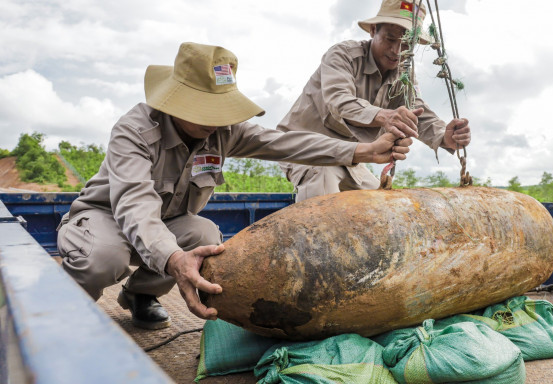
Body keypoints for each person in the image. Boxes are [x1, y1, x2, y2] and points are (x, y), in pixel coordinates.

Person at [56, 42, 412, 330]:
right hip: (108, 218)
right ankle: (62, 313)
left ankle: (140, 295)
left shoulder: (223, 131)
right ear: (176, 101)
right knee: (104, 258)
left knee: (206, 236)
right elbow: (134, 205)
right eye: (206, 109)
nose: (218, 121)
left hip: (166, 222)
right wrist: (175, 259)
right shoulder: (135, 130)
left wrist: (363, 150)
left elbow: (287, 143)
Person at [277, 0, 472, 202]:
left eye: (407, 44)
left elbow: (417, 111)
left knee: (386, 205)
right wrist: (384, 116)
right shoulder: (342, 56)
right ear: (373, 30)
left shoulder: (403, 75)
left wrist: (445, 136)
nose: (397, 51)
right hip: (306, 148)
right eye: (390, 39)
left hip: (350, 158)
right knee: (323, 182)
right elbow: (339, 101)